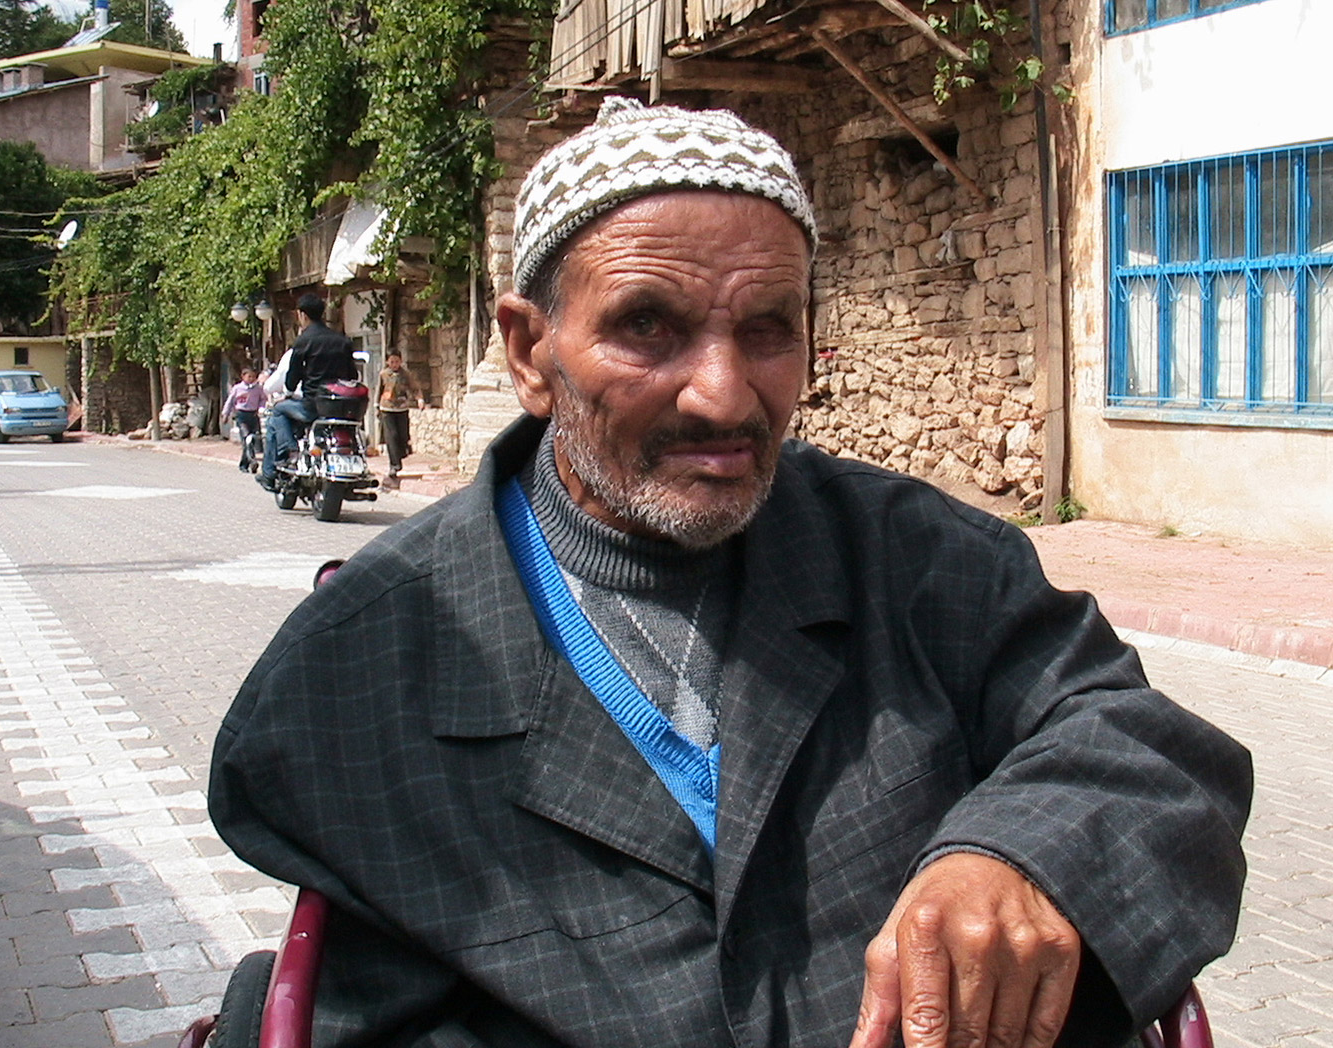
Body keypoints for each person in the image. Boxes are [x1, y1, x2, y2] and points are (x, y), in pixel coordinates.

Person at [211, 99, 1252, 1048]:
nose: (722, 394)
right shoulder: (372, 655)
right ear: (530, 352)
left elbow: (1137, 745)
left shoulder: (920, 560)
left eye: (766, 331)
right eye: (646, 327)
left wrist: (1020, 856)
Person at [257, 294, 358, 491]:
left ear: (302, 315)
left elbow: (292, 377)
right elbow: (352, 374)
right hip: (340, 407)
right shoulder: (342, 340)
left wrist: (289, 390)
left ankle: (287, 453)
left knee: (278, 410)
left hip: (312, 406)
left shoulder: (303, 341)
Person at [376, 349, 424, 488]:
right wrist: (376, 406)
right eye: (392, 362)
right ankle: (394, 465)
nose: (394, 364)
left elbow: (415, 388)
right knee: (392, 436)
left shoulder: (406, 374)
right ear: (387, 362)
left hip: (402, 408)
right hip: (387, 409)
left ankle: (402, 453)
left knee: (403, 436)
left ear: (401, 361)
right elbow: (379, 390)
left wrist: (419, 399)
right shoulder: (384, 374)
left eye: (397, 361)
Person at [220, 367, 266, 472]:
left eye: (253, 377)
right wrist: (225, 414)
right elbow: (230, 401)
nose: (251, 379)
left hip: (253, 415)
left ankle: (245, 463)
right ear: (243, 377)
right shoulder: (237, 388)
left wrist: (260, 408)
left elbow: (263, 399)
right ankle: (251, 462)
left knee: (253, 439)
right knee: (246, 438)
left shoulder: (258, 389)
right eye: (249, 376)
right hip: (242, 415)